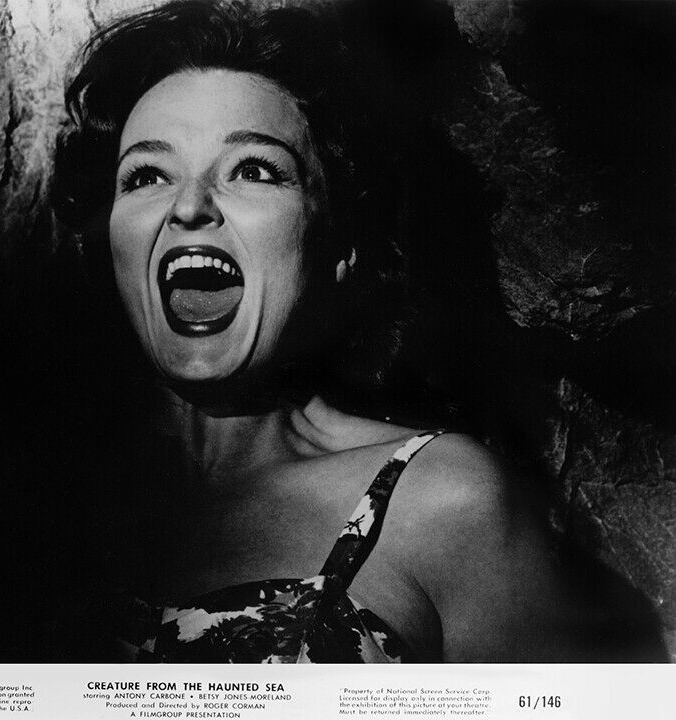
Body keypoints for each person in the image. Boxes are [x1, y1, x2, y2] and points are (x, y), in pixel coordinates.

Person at [54, 0, 618, 663]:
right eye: (147, 175)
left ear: (342, 246)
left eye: (253, 169)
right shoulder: (27, 500)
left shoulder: (443, 500)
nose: (189, 205)